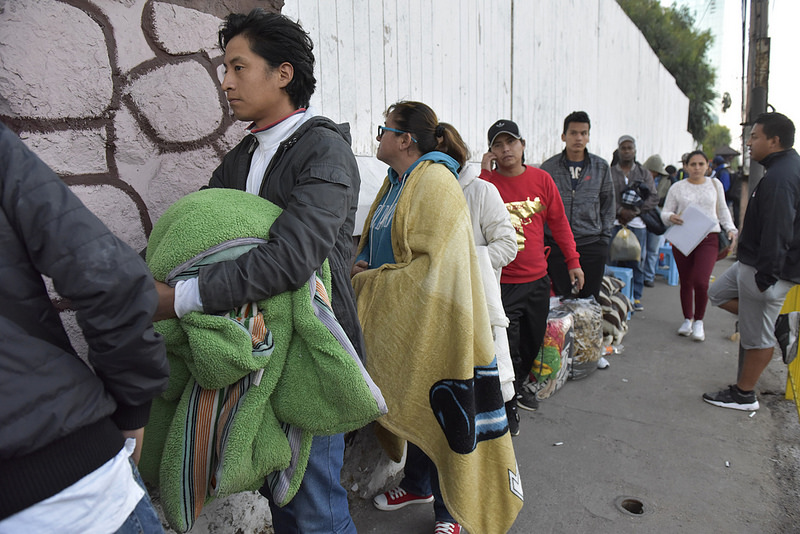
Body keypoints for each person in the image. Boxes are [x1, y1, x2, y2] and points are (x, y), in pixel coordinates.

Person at [153, 10, 365, 533]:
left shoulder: (325, 151)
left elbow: (292, 260)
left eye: (237, 67)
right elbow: (200, 230)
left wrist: (177, 298)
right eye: (224, 69)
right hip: (257, 354)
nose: (225, 82)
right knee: (284, 501)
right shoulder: (243, 155)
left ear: (283, 74)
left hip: (309, 355)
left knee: (316, 508)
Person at [353, 102, 521, 534]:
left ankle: (452, 510)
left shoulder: (436, 182)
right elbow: (379, 243)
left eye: (383, 129)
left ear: (405, 139)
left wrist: (369, 280)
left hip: (439, 319)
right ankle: (418, 484)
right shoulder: (395, 182)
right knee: (417, 404)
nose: (378, 137)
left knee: (448, 409)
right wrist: (363, 268)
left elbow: (439, 265)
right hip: (404, 319)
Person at [0, 122, 170, 532]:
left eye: (238, 67)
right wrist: (132, 410)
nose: (226, 82)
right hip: (78, 492)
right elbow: (108, 277)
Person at [481, 119, 584, 412]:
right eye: (498, 145)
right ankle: (508, 400)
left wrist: (573, 262)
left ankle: (519, 386)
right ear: (491, 152)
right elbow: (473, 213)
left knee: (531, 339)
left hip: (538, 278)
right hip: (502, 280)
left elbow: (560, 224)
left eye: (511, 142)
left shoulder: (542, 180)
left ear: (522, 145)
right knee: (506, 342)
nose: (506, 150)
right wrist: (484, 174)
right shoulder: (486, 184)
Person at [704, 112, 800, 410]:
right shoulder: (778, 169)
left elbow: (778, 230)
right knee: (717, 293)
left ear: (774, 140)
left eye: (754, 137)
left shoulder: (782, 178)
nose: (749, 143)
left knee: (757, 338)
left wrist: (765, 278)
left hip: (765, 271)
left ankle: (744, 394)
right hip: (750, 264)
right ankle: (778, 322)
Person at [457, 159, 519, 434]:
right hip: (439, 298)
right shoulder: (417, 189)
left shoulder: (481, 191)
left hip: (478, 297)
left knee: (485, 365)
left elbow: (507, 246)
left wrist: (468, 262)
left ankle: (498, 423)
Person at [660, 150, 737, 341]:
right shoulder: (677, 187)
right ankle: (687, 318)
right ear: (685, 166)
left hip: (708, 237)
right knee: (685, 280)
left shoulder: (714, 184)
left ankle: (699, 321)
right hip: (684, 237)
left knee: (701, 281)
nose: (696, 168)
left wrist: (731, 229)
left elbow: (722, 209)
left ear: (707, 166)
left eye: (701, 164)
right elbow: (665, 212)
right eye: (692, 164)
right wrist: (671, 217)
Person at [540, 111, 615, 299]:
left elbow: (608, 205)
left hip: (591, 244)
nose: (579, 138)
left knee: (589, 301)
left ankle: (588, 330)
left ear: (589, 136)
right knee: (559, 301)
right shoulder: (548, 168)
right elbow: (540, 208)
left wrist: (604, 240)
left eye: (584, 133)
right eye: (573, 133)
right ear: (563, 136)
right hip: (557, 246)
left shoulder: (600, 167)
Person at [610, 135, 658, 312]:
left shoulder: (643, 173)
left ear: (635, 150)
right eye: (623, 148)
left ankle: (636, 296)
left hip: (637, 225)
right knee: (613, 259)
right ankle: (614, 295)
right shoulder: (611, 172)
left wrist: (635, 211)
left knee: (637, 260)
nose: (627, 151)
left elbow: (654, 197)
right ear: (618, 150)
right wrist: (620, 211)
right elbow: (606, 196)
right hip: (615, 223)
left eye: (630, 148)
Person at [641, 154, 671, 287]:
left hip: (656, 217)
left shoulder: (666, 181)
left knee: (652, 249)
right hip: (642, 216)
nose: (654, 174)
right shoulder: (638, 177)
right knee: (641, 251)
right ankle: (642, 276)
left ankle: (649, 276)